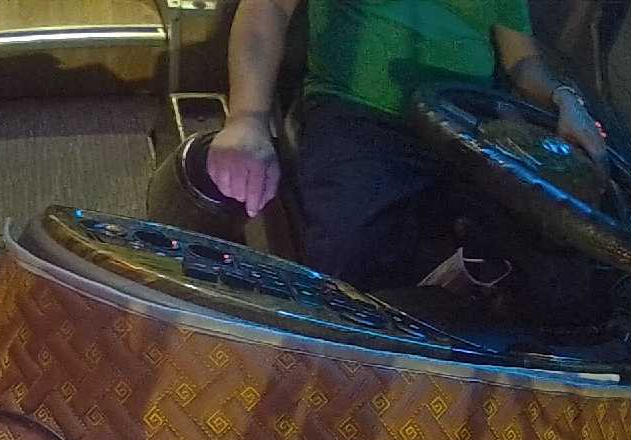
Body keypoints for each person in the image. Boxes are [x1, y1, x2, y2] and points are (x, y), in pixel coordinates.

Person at [207, 0, 609, 289]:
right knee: (354, 256)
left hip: (473, 127)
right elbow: (266, 10)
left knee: (559, 264)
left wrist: (565, 101)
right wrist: (248, 119)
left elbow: (522, 61)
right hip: (360, 115)